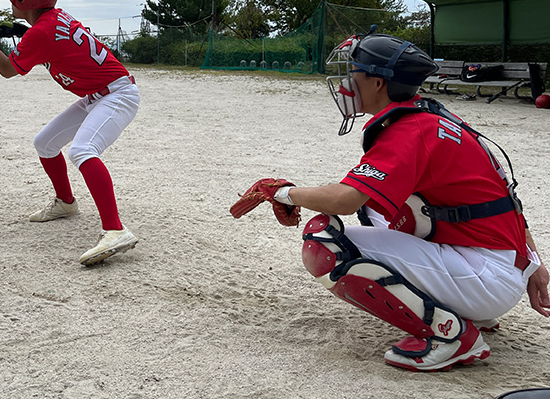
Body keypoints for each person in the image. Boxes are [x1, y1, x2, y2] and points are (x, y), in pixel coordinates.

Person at [231, 32, 550, 372]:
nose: (346, 83)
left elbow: (344, 199)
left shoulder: (410, 129)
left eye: (354, 72)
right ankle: (472, 313)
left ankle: (450, 336)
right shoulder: (435, 117)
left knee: (324, 240)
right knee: (380, 207)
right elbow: (506, 199)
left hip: (484, 277)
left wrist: (282, 192)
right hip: (497, 270)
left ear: (379, 83)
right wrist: (532, 262)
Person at [0, 0, 140, 266]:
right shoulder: (53, 21)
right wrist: (24, 33)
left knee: (83, 150)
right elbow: (48, 41)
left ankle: (115, 229)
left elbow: (8, 70)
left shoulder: (42, 32)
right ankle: (66, 203)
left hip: (117, 94)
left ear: (26, 1)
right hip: (99, 94)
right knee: (45, 143)